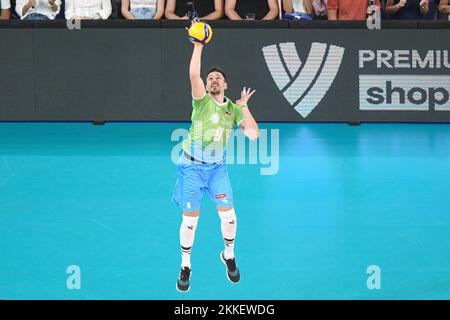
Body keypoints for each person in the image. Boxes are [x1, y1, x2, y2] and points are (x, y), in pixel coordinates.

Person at [172, 21, 259, 292]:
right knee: (190, 221)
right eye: (210, 78)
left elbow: (254, 135)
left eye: (218, 78)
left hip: (217, 170)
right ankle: (185, 264)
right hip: (192, 169)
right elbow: (193, 74)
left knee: (230, 218)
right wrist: (198, 44)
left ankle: (229, 256)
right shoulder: (201, 100)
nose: (213, 79)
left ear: (226, 85)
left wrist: (244, 107)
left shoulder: (233, 108)